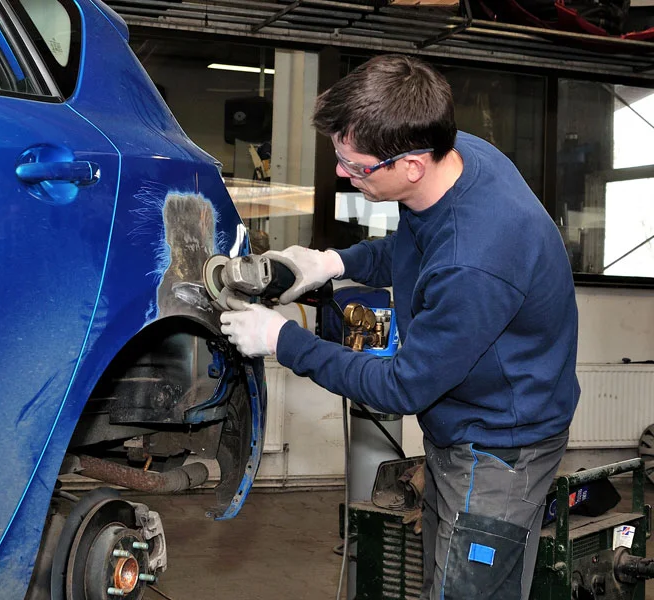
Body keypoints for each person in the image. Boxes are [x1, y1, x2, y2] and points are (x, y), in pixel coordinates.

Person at [220, 55, 580, 600]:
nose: (342, 173)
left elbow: (402, 386)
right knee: (443, 581)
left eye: (356, 166)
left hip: (500, 447)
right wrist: (333, 263)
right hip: (460, 425)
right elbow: (416, 248)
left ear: (410, 164)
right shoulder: (456, 154)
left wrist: (282, 340)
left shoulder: (475, 260)